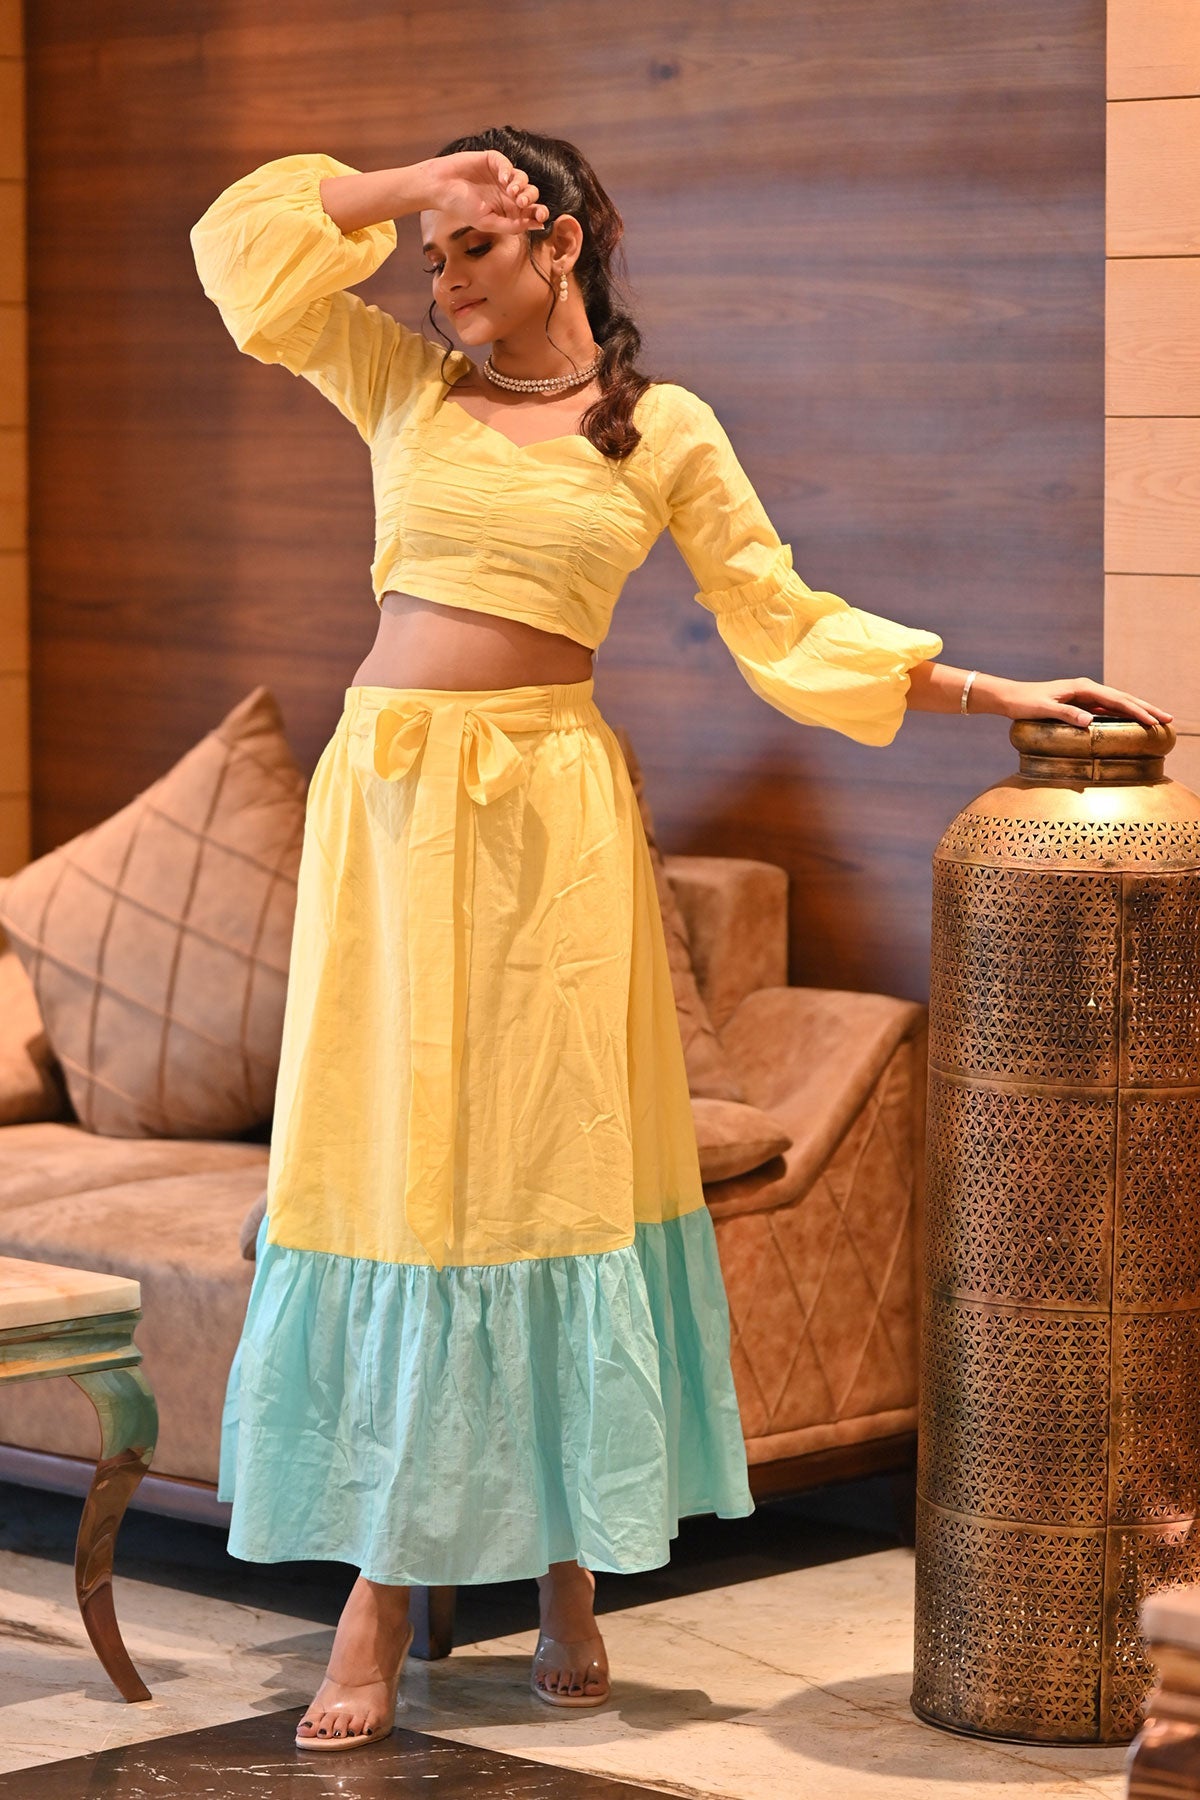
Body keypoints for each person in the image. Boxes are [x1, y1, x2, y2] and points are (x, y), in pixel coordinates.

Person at [189, 125, 1171, 1754]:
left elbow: (780, 616)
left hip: (552, 820)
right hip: (391, 817)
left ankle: (570, 1563)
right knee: (404, 1171)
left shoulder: (664, 429)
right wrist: (418, 182)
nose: (444, 286)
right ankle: (376, 1590)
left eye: (475, 250)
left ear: (563, 241)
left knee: (551, 1169)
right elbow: (243, 262)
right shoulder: (400, 384)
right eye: (433, 259)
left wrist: (986, 687)